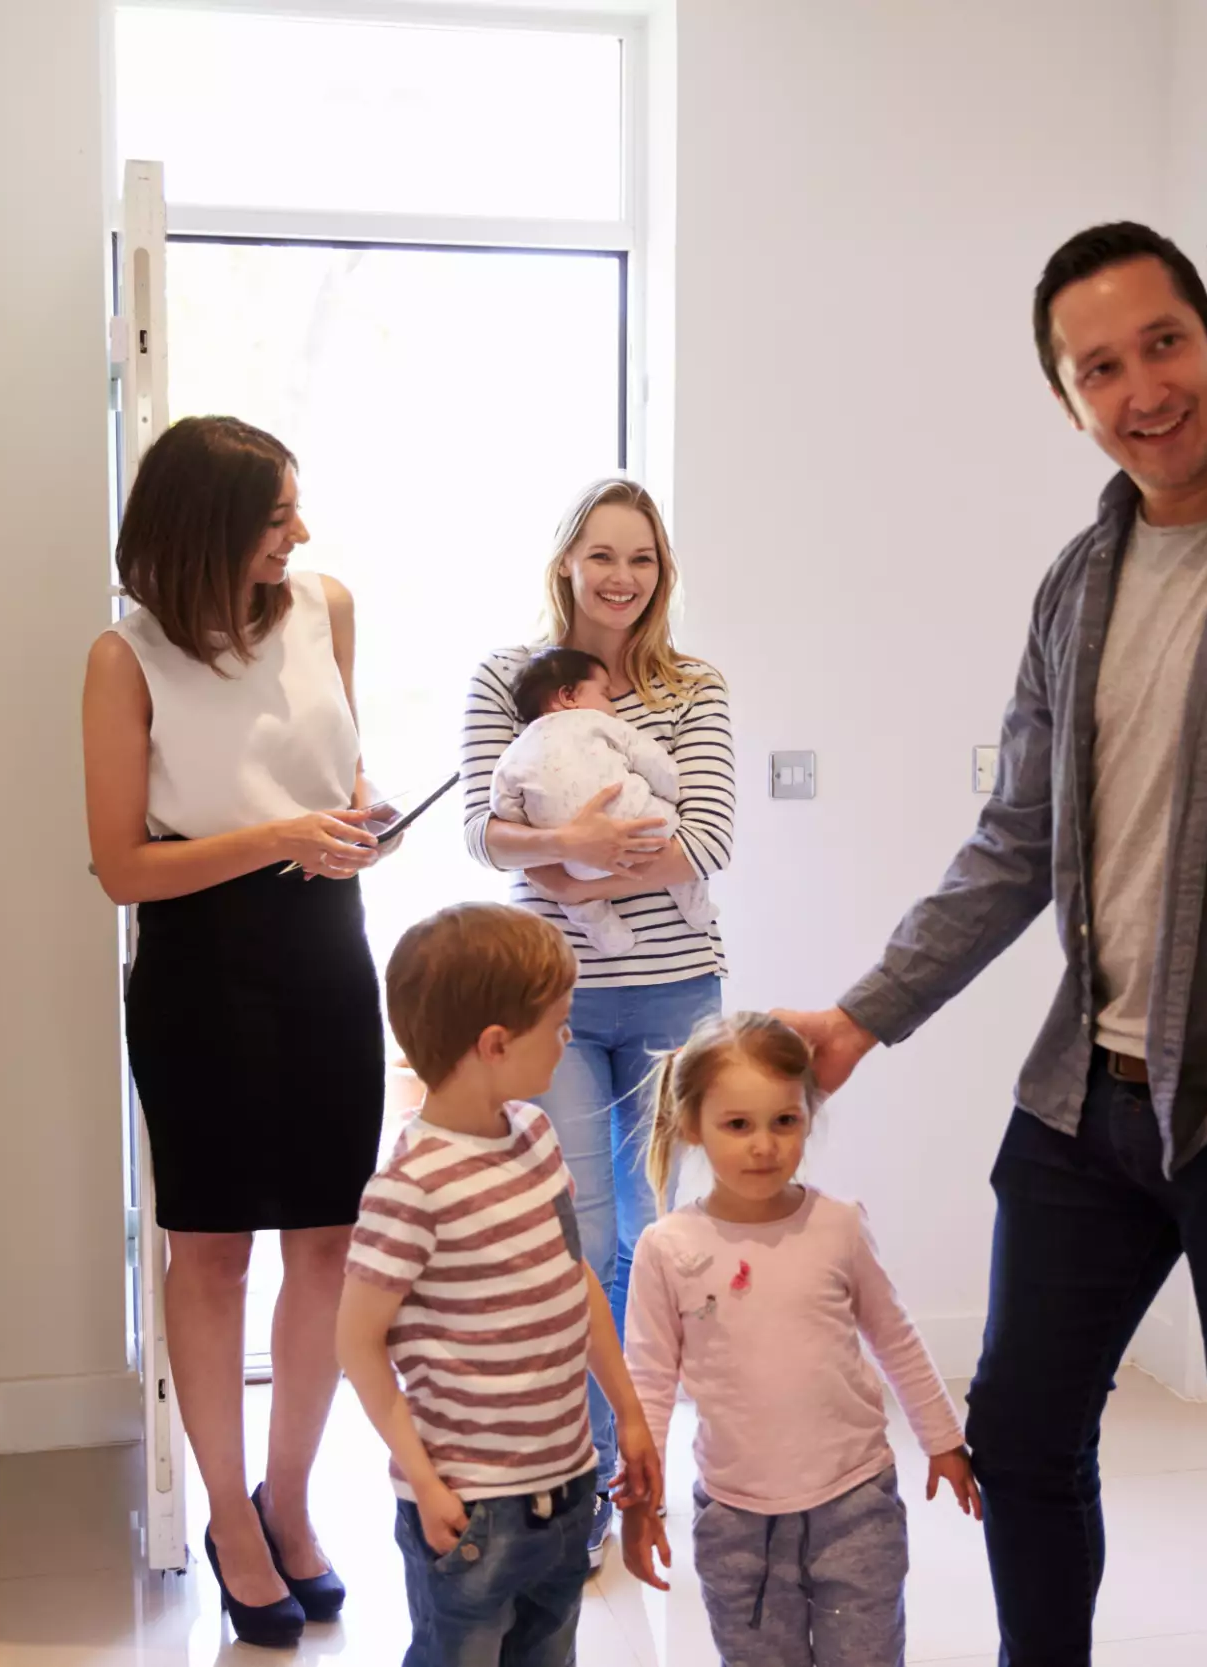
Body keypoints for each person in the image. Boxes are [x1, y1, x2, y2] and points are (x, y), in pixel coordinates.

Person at [775, 222, 1207, 1665]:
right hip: (1089, 1092)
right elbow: (1016, 840)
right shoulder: (1078, 582)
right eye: (1101, 366)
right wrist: (863, 1015)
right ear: (1065, 395)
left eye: (1162, 343)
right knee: (1020, 1435)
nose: (1143, 387)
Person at [82, 415, 390, 1647]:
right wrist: (278, 835)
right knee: (211, 1250)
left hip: (327, 944)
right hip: (201, 965)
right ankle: (227, 1513)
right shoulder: (127, 658)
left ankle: (293, 1497)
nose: (300, 535)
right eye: (275, 519)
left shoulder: (327, 607)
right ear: (208, 530)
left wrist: (364, 816)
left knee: (330, 1236)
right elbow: (119, 868)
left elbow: (347, 772)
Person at [459, 478, 735, 1562]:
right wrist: (563, 863)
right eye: (602, 555)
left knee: (662, 1236)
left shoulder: (692, 687)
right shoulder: (508, 680)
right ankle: (578, 1476)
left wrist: (570, 863)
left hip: (677, 991)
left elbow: (704, 837)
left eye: (643, 559)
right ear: (566, 562)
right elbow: (487, 834)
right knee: (584, 1232)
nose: (622, 577)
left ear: (661, 574)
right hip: (549, 1000)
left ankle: (651, 1466)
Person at [338, 903, 663, 1667]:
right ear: (494, 1044)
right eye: (558, 1023)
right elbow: (357, 1345)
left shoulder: (536, 1136)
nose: (567, 1038)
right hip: (471, 1508)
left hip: (567, 1483)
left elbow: (575, 1279)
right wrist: (423, 1477)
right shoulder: (410, 1186)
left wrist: (629, 1411)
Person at [620, 1012, 980, 1667]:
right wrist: (642, 1502)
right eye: (738, 1124)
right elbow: (647, 1379)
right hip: (736, 1518)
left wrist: (943, 1437)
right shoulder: (666, 1247)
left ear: (808, 1116)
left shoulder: (836, 1225)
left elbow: (893, 1335)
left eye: (784, 1120)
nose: (764, 1144)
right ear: (693, 1125)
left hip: (855, 1501)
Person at [490, 647, 716, 956]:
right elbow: (650, 758)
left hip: (576, 865)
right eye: (605, 694)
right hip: (643, 826)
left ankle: (606, 933)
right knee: (670, 828)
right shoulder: (596, 722)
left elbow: (503, 808)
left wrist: (538, 835)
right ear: (569, 696)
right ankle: (695, 905)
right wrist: (670, 792)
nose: (613, 707)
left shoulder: (512, 755)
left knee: (576, 899)